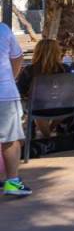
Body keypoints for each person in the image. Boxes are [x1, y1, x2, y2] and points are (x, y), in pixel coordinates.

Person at [16, 38, 72, 139]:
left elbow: (20, 91)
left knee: (35, 106)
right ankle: (48, 134)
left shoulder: (29, 70)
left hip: (39, 109)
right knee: (66, 104)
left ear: (37, 52)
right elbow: (70, 90)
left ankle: (47, 137)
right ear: (57, 52)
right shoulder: (65, 69)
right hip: (63, 107)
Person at [0, 21, 31, 196]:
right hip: (4, 93)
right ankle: (12, 182)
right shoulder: (3, 30)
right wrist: (11, 78)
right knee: (10, 140)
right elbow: (17, 57)